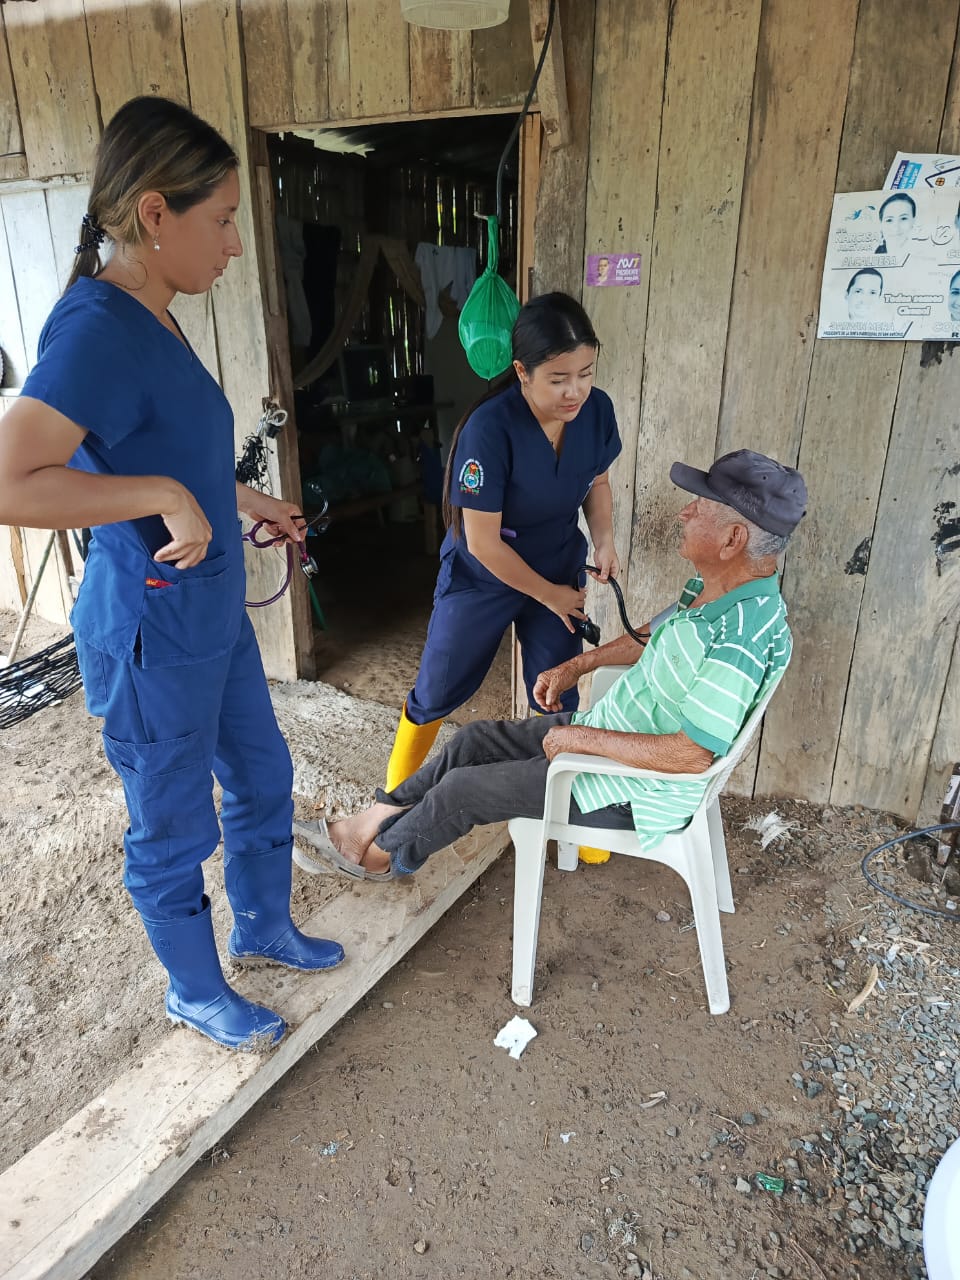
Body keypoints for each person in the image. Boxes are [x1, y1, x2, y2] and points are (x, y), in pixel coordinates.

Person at [0, 96, 345, 1052]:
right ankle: (195, 991)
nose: (234, 245)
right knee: (172, 818)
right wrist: (163, 494)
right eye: (222, 220)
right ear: (155, 213)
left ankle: (262, 926)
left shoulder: (154, 313)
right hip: (152, 628)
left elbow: (160, 451)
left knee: (263, 772)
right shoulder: (97, 330)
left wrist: (239, 500)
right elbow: (12, 482)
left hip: (209, 611)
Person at [294, 450, 806, 881]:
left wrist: (581, 740)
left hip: (627, 789)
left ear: (733, 540)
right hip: (608, 736)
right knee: (473, 741)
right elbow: (647, 637)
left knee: (462, 792)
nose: (684, 513)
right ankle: (368, 824)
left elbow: (693, 755)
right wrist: (576, 667)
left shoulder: (739, 635)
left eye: (699, 507)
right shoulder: (713, 592)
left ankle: (380, 858)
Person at [382, 292, 622, 791]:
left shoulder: (597, 411)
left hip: (557, 566)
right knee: (437, 686)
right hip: (483, 575)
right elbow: (483, 543)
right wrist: (550, 596)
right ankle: (395, 797)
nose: (575, 391)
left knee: (557, 691)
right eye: (558, 378)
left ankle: (557, 802)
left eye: (585, 373)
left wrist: (604, 542)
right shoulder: (490, 428)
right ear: (522, 372)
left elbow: (597, 482)